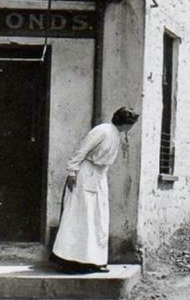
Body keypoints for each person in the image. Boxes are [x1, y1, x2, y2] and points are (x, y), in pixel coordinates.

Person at [51, 106, 140, 274]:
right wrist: (72, 171)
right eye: (131, 123)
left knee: (97, 219)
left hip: (98, 177)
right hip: (84, 176)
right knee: (78, 219)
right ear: (126, 123)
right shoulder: (102, 131)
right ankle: (69, 262)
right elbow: (82, 150)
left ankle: (93, 260)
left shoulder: (115, 134)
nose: (131, 127)